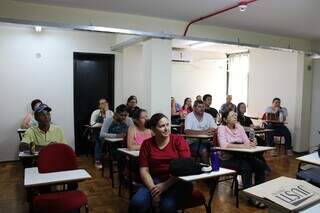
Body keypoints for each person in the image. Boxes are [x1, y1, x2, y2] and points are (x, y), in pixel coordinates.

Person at [130, 113, 193, 213]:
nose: (166, 128)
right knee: (137, 202)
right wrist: (153, 190)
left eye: (167, 125)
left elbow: (185, 166)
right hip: (153, 180)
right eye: (162, 126)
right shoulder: (147, 144)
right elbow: (144, 169)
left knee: (167, 206)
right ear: (153, 129)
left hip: (177, 181)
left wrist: (164, 186)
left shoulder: (178, 140)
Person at [218, 110, 267, 208]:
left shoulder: (239, 127)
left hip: (242, 156)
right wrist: (242, 146)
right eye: (232, 115)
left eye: (235, 115)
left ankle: (258, 194)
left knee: (261, 165)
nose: (235, 116)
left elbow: (246, 141)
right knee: (246, 167)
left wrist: (251, 143)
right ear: (225, 119)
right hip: (227, 158)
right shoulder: (221, 128)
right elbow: (224, 145)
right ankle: (251, 197)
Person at [90, 98, 114, 169]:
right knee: (99, 141)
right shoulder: (96, 112)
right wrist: (102, 124)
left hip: (108, 131)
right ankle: (97, 160)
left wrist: (106, 112)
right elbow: (92, 124)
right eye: (101, 103)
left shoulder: (110, 112)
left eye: (105, 103)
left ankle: (111, 156)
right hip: (98, 131)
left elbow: (112, 123)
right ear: (99, 105)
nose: (104, 104)